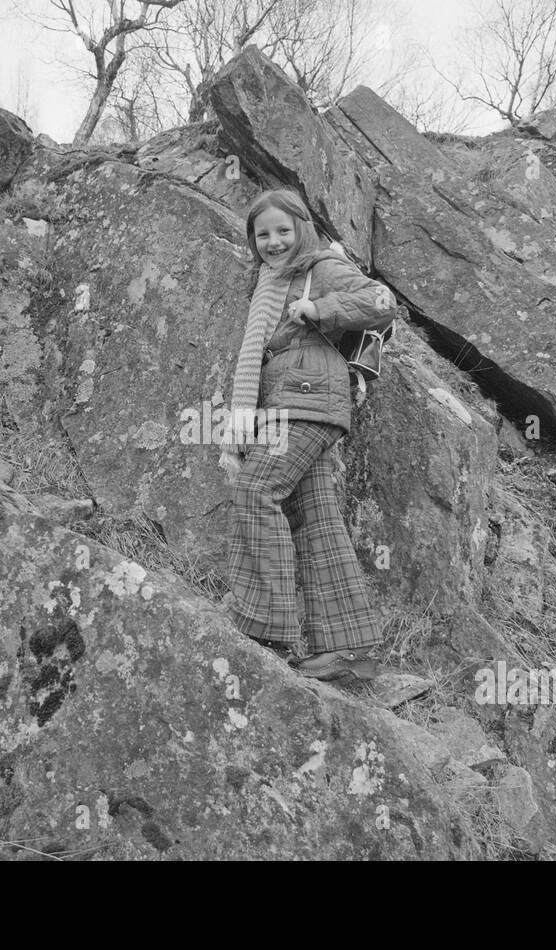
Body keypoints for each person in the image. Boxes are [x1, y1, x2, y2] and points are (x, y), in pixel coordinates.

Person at [221, 189, 396, 682]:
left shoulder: (320, 268)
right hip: (293, 403)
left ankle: (264, 623)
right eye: (263, 234)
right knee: (316, 516)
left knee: (257, 490)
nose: (274, 242)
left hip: (309, 399)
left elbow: (382, 302)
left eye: (283, 230)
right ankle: (352, 650)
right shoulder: (268, 282)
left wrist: (322, 309)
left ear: (302, 228)